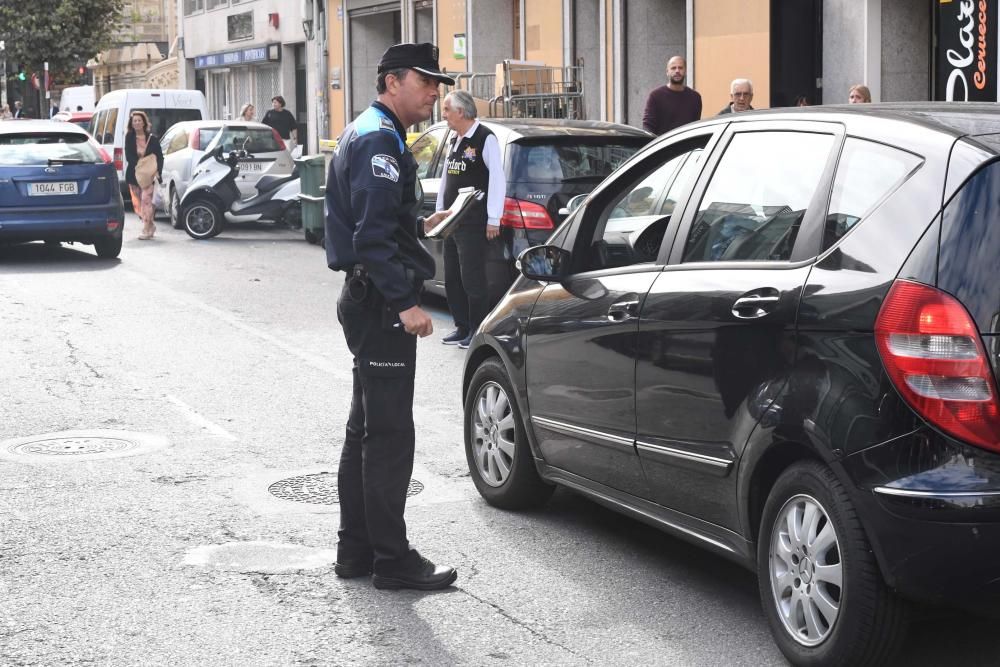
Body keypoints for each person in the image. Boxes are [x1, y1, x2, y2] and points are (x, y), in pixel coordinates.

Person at [323, 42, 457, 591]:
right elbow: (371, 237)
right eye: (426, 82)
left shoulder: (369, 129)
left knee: (365, 432)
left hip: (368, 298)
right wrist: (406, 304)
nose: (434, 93)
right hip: (381, 305)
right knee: (389, 437)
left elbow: (378, 223)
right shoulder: (379, 138)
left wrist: (424, 226)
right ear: (392, 81)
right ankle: (392, 560)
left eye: (437, 84)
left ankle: (356, 552)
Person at [435, 90, 506, 349]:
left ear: (461, 112)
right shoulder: (455, 138)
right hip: (453, 221)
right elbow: (446, 178)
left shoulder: (484, 138)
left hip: (474, 221)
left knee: (472, 278)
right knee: (453, 276)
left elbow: (498, 179)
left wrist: (493, 218)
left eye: (446, 110)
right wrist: (441, 212)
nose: (443, 115)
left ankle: (477, 329)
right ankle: (462, 326)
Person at [124, 110, 164, 240]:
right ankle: (150, 225)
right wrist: (139, 165)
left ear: (144, 122)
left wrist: (158, 172)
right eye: (134, 121)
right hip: (135, 174)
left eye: (139, 120)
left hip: (150, 175)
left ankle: (146, 228)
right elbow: (129, 155)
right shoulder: (129, 137)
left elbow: (159, 156)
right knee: (139, 202)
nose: (136, 123)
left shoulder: (152, 138)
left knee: (146, 201)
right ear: (132, 123)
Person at [641, 55, 702, 134]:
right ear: (667, 72)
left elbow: (695, 127)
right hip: (663, 145)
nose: (677, 71)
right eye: (673, 68)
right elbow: (648, 128)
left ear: (685, 71)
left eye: (680, 68)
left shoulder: (695, 98)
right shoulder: (655, 96)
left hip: (688, 145)